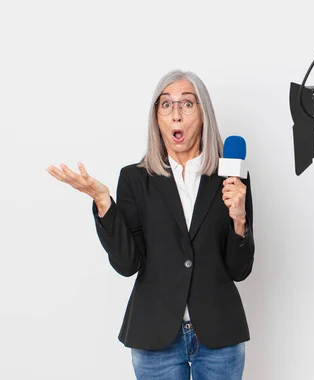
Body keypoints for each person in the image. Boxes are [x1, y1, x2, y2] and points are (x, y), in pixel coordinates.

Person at [46, 69, 254, 380]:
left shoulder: (231, 178)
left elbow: (239, 270)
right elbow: (128, 263)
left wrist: (239, 218)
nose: (176, 115)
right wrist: (104, 202)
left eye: (187, 104)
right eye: (166, 105)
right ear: (156, 116)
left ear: (204, 113)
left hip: (219, 334)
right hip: (155, 336)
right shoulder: (134, 178)